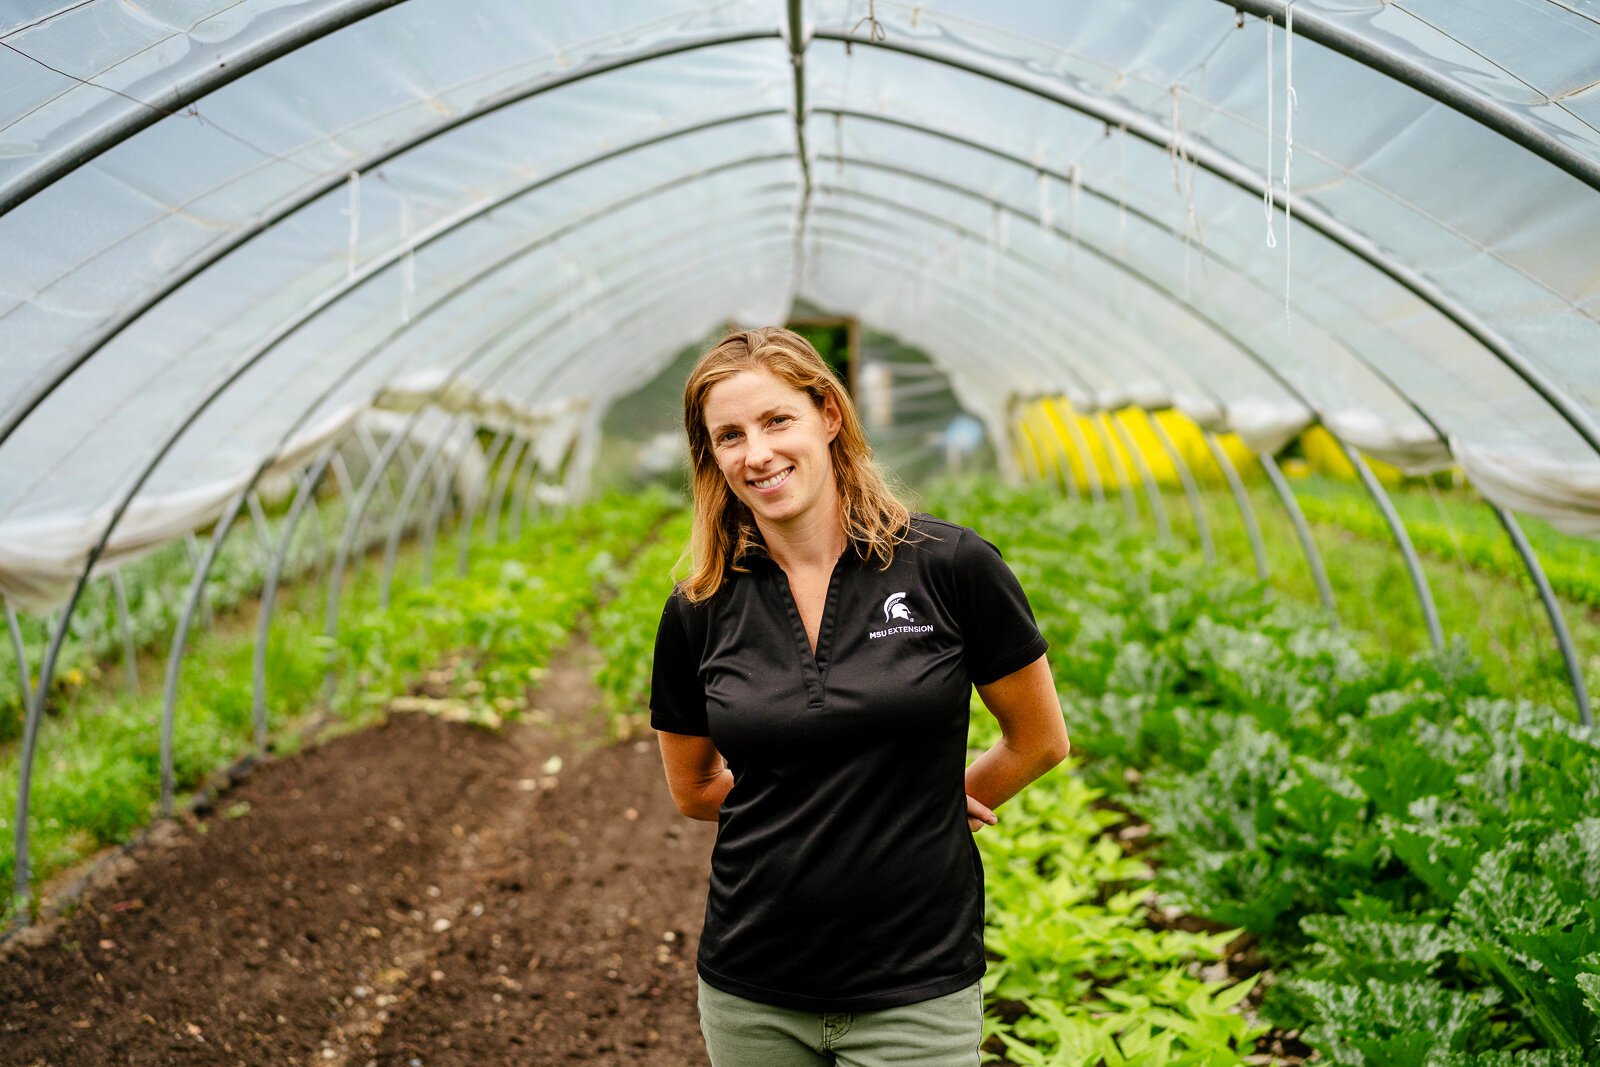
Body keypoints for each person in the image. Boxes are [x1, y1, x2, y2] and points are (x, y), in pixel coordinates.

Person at [650, 326, 1070, 1066]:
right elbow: (692, 788)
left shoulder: (950, 566)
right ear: (712, 457)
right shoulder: (699, 607)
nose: (758, 453)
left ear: (829, 416)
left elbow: (1039, 739)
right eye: (730, 436)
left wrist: (933, 798)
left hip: (917, 985)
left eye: (778, 420)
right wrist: (833, 797)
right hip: (753, 986)